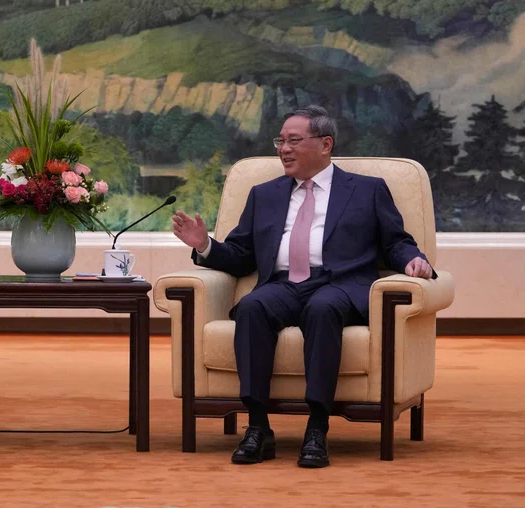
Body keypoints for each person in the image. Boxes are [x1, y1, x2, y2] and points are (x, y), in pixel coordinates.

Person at [172, 105, 434, 469]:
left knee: (322, 308)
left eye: (294, 140)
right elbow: (242, 256)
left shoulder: (367, 190)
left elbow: (395, 242)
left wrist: (413, 260)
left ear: (325, 144)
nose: (284, 149)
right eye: (280, 141)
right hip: (283, 284)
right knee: (251, 307)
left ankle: (317, 428)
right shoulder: (264, 194)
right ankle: (258, 427)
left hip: (340, 284)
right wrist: (205, 246)